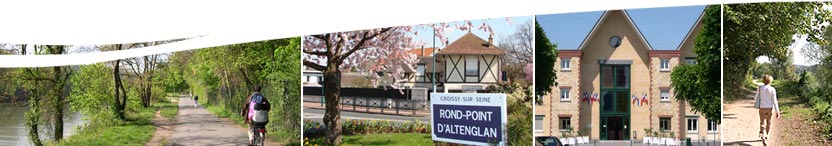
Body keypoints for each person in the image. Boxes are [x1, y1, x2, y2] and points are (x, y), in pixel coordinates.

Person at [754, 74, 780, 143]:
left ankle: (762, 135)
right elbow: (775, 101)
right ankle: (766, 136)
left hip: (762, 108)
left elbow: (756, 97)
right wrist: (777, 111)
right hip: (770, 108)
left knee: (762, 122)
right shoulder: (772, 89)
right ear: (770, 81)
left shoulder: (760, 88)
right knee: (768, 122)